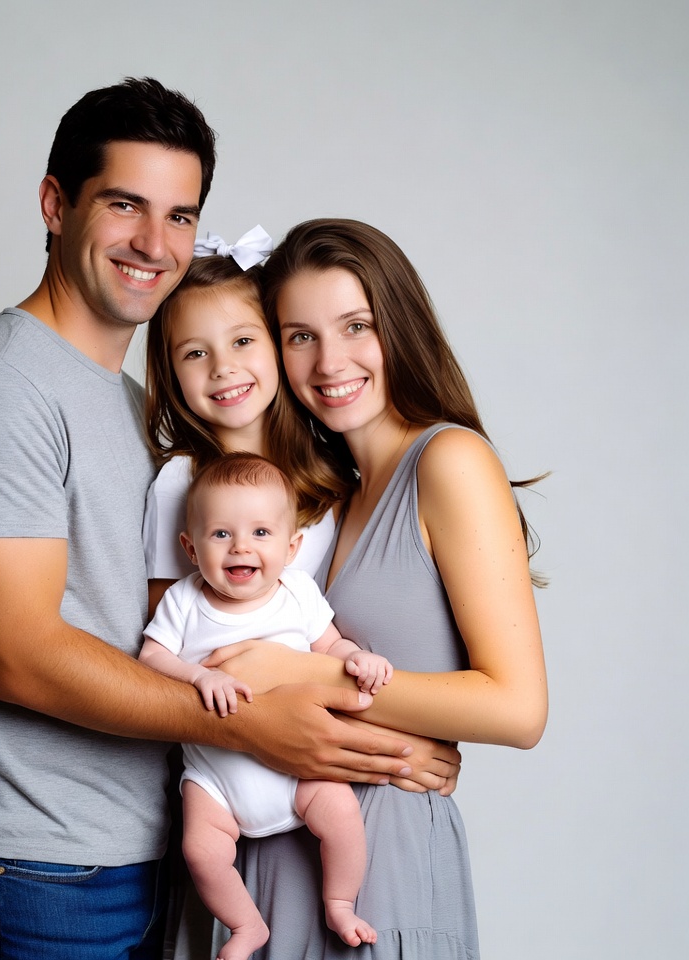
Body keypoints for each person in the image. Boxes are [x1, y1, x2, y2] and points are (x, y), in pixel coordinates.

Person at [0, 79, 445, 960]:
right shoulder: (0, 389)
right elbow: (20, 655)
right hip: (38, 867)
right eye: (124, 205)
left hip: (140, 853)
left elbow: (214, 616)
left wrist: (382, 744)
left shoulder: (127, 407)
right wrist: (255, 722)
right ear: (54, 203)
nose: (155, 244)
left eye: (181, 216)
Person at [194, 219, 549, 959]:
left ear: (401, 326)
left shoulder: (447, 461)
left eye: (356, 326)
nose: (330, 362)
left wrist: (297, 674)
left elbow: (518, 709)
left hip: (381, 871)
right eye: (299, 336)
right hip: (280, 849)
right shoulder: (330, 499)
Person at [141, 453, 392, 959]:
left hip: (300, 770)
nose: (241, 547)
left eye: (260, 533)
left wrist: (359, 658)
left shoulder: (297, 593)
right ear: (190, 547)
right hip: (216, 778)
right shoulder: (185, 601)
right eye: (220, 535)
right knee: (200, 850)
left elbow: (331, 645)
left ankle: (340, 901)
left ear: (291, 546)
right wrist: (198, 674)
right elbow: (150, 657)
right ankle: (246, 925)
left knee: (342, 814)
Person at [143, 246, 349, 599]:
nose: (222, 367)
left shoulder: (328, 463)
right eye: (195, 353)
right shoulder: (180, 482)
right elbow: (165, 618)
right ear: (172, 374)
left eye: (242, 341)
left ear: (277, 344)